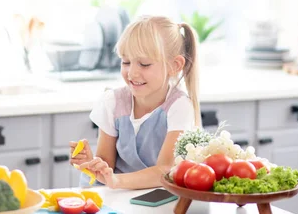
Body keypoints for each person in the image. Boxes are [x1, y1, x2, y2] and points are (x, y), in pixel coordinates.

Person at [70, 15, 201, 190]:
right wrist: (92, 163)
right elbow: (106, 165)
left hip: (153, 198)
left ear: (175, 65)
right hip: (115, 197)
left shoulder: (179, 106)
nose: (132, 73)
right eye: (126, 62)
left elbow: (165, 169)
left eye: (144, 64)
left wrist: (117, 181)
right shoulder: (113, 102)